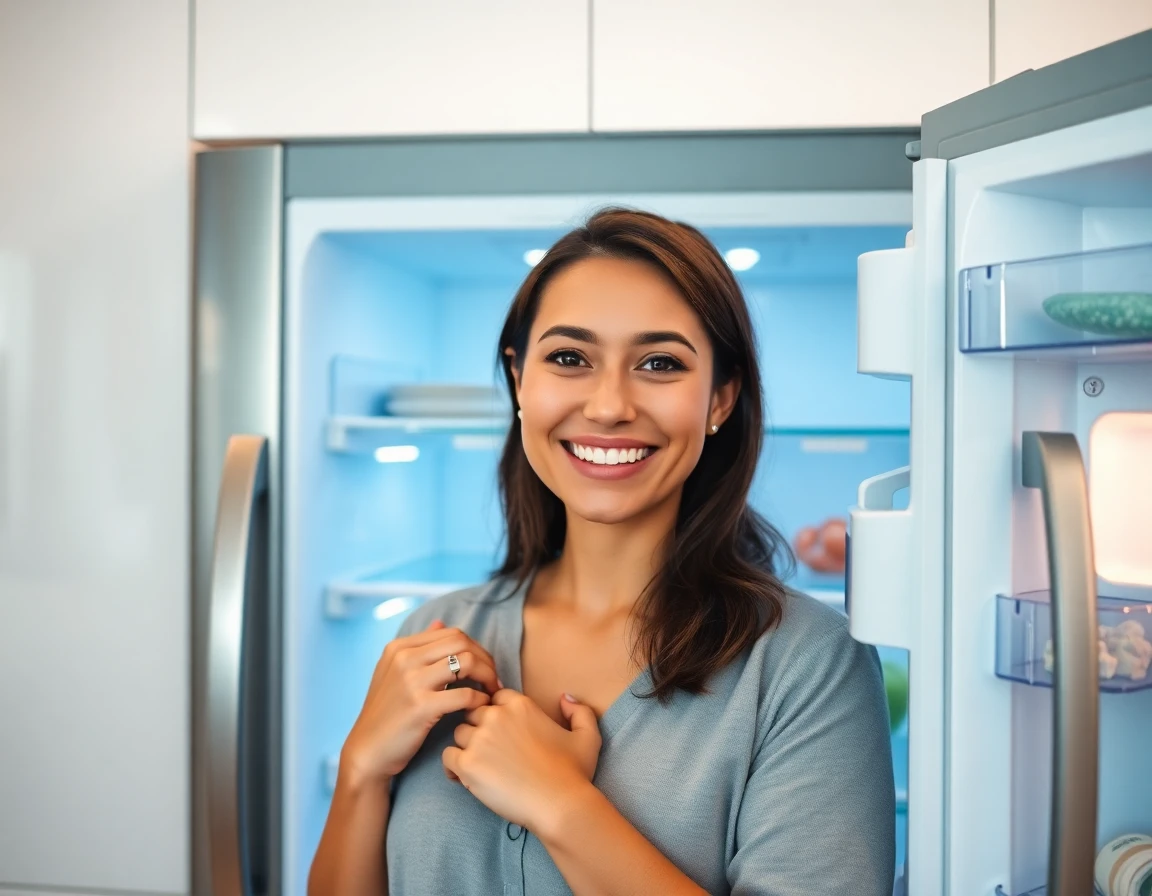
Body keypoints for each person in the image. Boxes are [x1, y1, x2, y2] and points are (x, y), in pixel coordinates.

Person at [309, 208, 896, 895]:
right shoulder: (433, 639)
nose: (611, 405)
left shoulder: (809, 664)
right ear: (519, 380)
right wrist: (360, 772)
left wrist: (562, 805)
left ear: (721, 398)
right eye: (568, 359)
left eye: (659, 363)